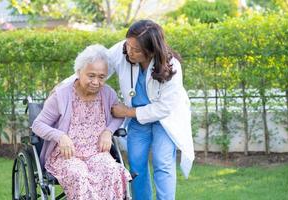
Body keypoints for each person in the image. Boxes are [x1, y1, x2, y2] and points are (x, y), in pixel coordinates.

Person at [63, 19, 194, 200]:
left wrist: (126, 112)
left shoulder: (172, 66)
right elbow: (92, 68)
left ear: (151, 50)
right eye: (129, 45)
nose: (130, 52)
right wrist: (62, 87)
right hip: (139, 121)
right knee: (136, 165)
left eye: (136, 50)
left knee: (162, 163)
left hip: (165, 119)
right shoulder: (122, 50)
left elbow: (164, 108)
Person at [32, 44, 131, 200]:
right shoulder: (61, 96)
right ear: (78, 72)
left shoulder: (108, 94)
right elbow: (38, 125)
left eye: (101, 77)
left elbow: (119, 114)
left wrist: (108, 131)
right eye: (91, 75)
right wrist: (60, 136)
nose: (96, 82)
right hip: (67, 155)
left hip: (97, 153)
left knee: (111, 170)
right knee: (78, 174)